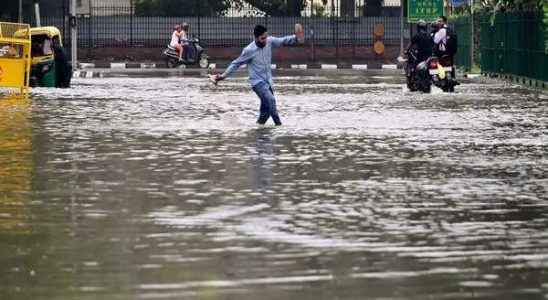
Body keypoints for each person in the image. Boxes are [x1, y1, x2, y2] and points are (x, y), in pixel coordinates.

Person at [209, 24, 304, 127]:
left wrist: (295, 38)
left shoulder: (269, 41)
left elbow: (283, 40)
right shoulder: (249, 50)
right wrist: (223, 76)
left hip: (268, 83)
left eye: (266, 37)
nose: (265, 40)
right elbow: (236, 64)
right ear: (256, 37)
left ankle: (258, 131)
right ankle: (279, 127)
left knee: (266, 112)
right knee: (271, 100)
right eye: (263, 38)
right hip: (258, 83)